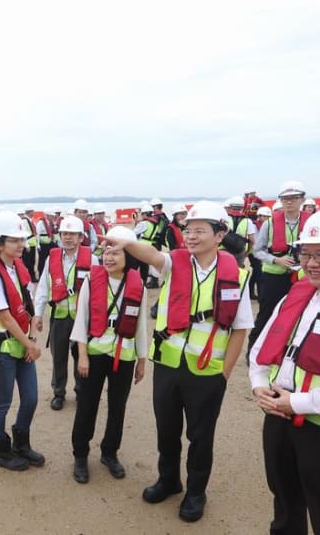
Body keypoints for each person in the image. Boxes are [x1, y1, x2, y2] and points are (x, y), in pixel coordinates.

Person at [106, 201, 253, 522]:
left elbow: (241, 329)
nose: (191, 235)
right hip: (169, 366)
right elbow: (151, 254)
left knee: (200, 437)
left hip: (208, 372)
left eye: (200, 230)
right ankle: (168, 480)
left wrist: (224, 374)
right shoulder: (174, 263)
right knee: (167, 430)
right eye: (188, 229)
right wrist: (127, 242)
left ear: (220, 235)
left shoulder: (236, 276)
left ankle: (196, 492)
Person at [249, 208, 320, 534]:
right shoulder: (298, 294)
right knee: (284, 505)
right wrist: (259, 384)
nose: (311, 263)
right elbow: (262, 347)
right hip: (279, 419)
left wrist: (295, 403)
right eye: (305, 253)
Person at [70, 226, 147, 483]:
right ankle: (80, 455)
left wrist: (141, 360)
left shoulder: (138, 285)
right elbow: (81, 319)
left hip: (123, 355)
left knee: (118, 407)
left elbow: (141, 326)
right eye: (106, 251)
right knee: (87, 406)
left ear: (129, 256)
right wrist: (82, 355)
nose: (109, 257)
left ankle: (109, 452)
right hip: (93, 353)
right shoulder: (92, 280)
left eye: (116, 252)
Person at [0, 211, 44, 471]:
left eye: (22, 239)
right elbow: (5, 317)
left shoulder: (18, 267)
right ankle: (1, 451)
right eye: (13, 240)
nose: (21, 244)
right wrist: (29, 344)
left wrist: (30, 337)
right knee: (3, 401)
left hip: (22, 344)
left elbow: (25, 306)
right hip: (4, 349)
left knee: (30, 398)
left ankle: (21, 442)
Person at [33, 216, 91, 411]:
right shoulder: (52, 257)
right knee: (59, 357)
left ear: (80, 237)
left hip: (82, 320)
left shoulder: (93, 259)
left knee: (80, 357)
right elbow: (43, 287)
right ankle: (59, 392)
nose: (68, 238)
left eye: (72, 234)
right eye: (65, 234)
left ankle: (82, 391)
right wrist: (38, 314)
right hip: (58, 317)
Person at [249, 181, 310, 357]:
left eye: (294, 198)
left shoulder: (310, 221)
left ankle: (287, 352)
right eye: (285, 199)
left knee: (299, 314)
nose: (289, 202)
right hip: (273, 276)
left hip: (301, 277)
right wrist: (276, 259)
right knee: (266, 314)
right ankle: (253, 350)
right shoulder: (270, 224)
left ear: (302, 200)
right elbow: (257, 251)